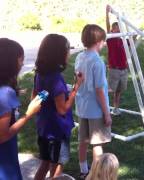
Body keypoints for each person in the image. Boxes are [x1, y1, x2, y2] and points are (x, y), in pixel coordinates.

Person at [32, 34, 84, 179]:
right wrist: (75, 89)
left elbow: (36, 98)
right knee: (56, 168)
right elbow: (62, 109)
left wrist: (53, 94)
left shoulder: (39, 74)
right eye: (67, 50)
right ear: (59, 54)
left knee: (44, 164)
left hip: (44, 129)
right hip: (57, 131)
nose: (69, 53)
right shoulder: (56, 79)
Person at [0, 38, 42, 180]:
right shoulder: (5, 93)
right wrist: (29, 114)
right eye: (20, 59)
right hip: (4, 162)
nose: (22, 63)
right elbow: (2, 135)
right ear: (9, 63)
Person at [75, 24, 112, 179]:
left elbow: (80, 81)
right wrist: (107, 113)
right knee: (97, 143)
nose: (104, 44)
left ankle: (84, 170)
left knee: (83, 140)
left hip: (82, 107)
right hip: (95, 109)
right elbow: (99, 90)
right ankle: (97, 176)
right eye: (104, 41)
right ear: (98, 42)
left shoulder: (79, 56)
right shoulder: (98, 61)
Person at [106, 5, 128, 116]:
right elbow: (107, 27)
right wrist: (107, 14)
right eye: (116, 27)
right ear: (112, 29)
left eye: (119, 27)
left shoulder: (122, 39)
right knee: (109, 90)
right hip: (114, 69)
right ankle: (103, 107)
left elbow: (131, 47)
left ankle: (115, 108)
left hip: (123, 69)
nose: (118, 29)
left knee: (118, 91)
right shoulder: (110, 38)